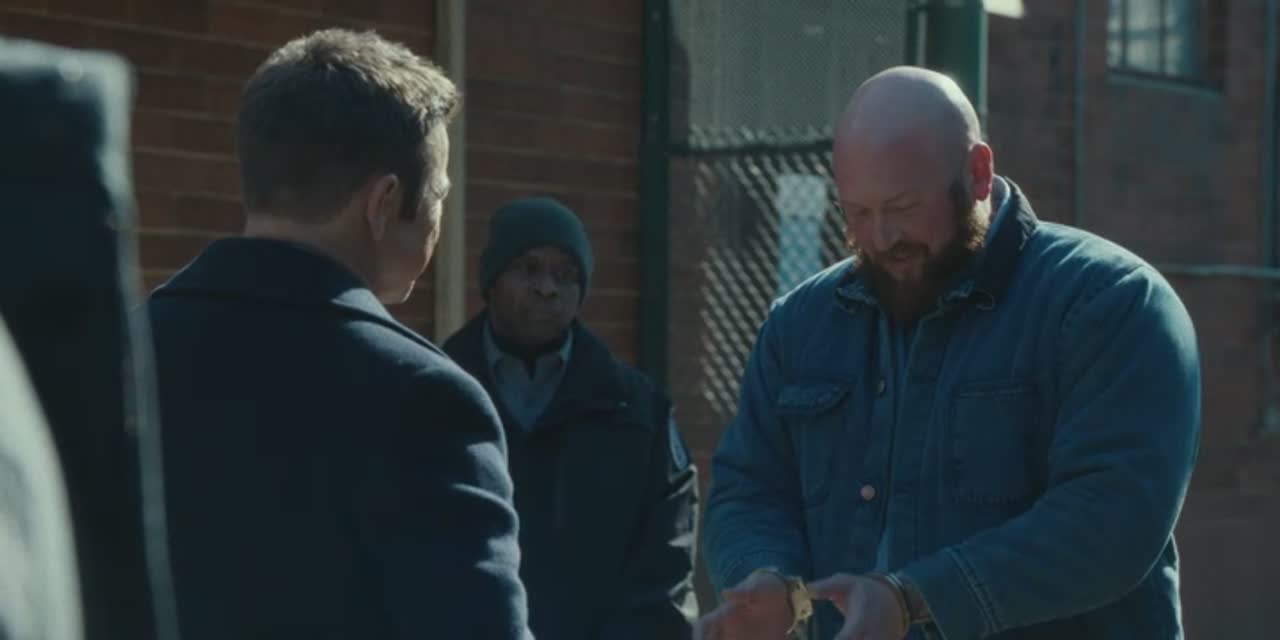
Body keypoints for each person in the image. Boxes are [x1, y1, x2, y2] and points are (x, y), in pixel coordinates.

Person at [697, 66, 1200, 640]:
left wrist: (915, 598)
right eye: (856, 213)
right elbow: (750, 488)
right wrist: (765, 576)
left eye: (903, 207)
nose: (881, 238)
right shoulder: (802, 323)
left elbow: (1110, 521)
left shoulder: (1108, 303)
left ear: (978, 173)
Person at [148, 29, 532, 639]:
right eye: (437, 196)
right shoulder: (424, 398)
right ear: (383, 202)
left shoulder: (117, 355)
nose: (437, 222)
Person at [443, 197, 699, 640]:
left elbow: (666, 570)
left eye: (565, 275)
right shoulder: (434, 396)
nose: (547, 288)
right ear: (492, 281)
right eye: (529, 269)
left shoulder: (637, 413)